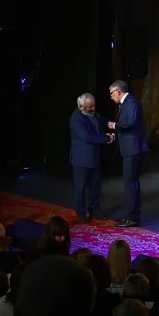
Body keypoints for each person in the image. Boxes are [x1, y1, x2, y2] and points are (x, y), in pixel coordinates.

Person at [104, 79, 146, 228]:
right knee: (129, 182)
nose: (111, 96)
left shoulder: (131, 102)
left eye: (111, 93)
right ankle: (131, 215)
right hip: (130, 148)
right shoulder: (127, 102)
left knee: (130, 183)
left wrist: (114, 125)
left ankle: (133, 217)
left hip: (133, 149)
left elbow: (130, 122)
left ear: (118, 91)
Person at [69, 92, 109, 222]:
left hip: (94, 157)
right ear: (81, 106)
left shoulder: (92, 113)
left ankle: (95, 210)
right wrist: (106, 138)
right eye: (90, 106)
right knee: (80, 188)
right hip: (81, 159)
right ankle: (81, 213)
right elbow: (88, 137)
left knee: (95, 187)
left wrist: (112, 123)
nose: (93, 108)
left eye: (93, 105)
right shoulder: (76, 119)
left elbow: (100, 120)